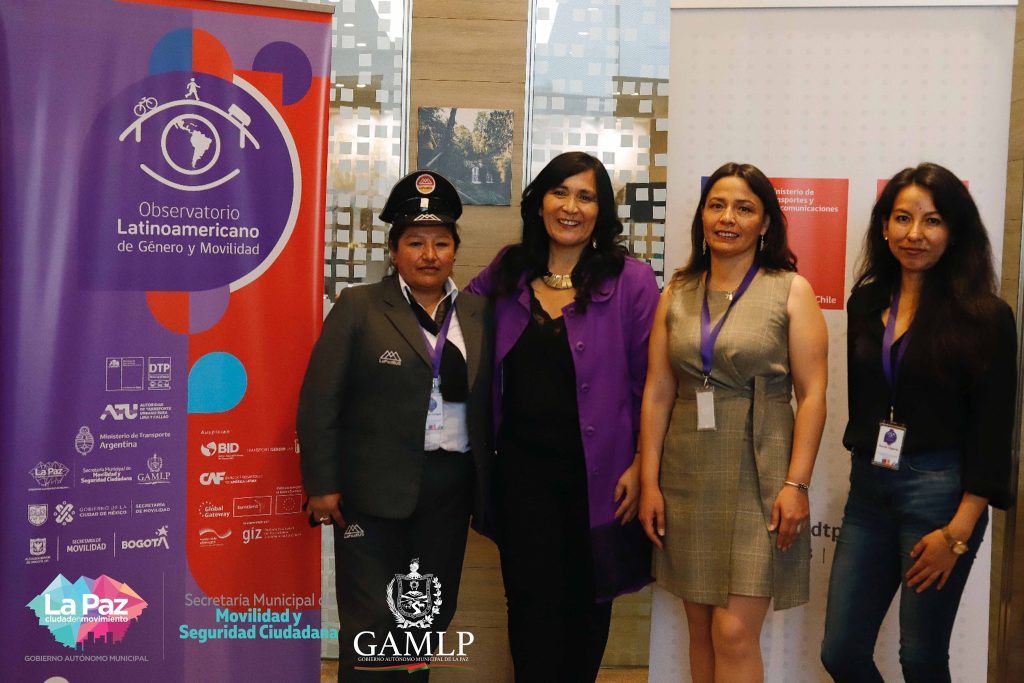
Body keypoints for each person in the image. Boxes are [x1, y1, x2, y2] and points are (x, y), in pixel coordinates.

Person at [466, 151, 659, 682]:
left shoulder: (632, 281)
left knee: (586, 609)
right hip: (521, 477)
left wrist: (642, 463)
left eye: (585, 196)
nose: (570, 207)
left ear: (601, 211)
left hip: (601, 478)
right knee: (529, 610)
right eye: (559, 192)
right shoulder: (508, 270)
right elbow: (454, 327)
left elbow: (653, 384)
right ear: (539, 202)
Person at [820, 163, 1017, 683]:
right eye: (902, 218)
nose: (914, 234)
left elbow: (993, 433)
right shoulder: (865, 302)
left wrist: (957, 532)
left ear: (954, 231)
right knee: (841, 652)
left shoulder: (986, 316)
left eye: (932, 221)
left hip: (940, 496)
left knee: (922, 659)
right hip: (869, 490)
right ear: (884, 226)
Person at [297, 170, 493, 681]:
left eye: (441, 243)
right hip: (371, 492)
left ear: (454, 250)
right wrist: (321, 485)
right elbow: (320, 401)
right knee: (371, 623)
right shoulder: (360, 306)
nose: (429, 255)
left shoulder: (478, 314)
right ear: (394, 250)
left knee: (425, 617)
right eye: (415, 243)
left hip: (449, 491)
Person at [638, 162, 828, 682]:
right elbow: (658, 392)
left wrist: (797, 483)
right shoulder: (677, 292)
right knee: (700, 629)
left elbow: (813, 395)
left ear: (764, 223)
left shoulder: (790, 289)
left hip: (761, 469)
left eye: (744, 208)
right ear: (702, 216)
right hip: (687, 472)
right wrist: (650, 482)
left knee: (734, 632)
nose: (728, 218)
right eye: (717, 206)